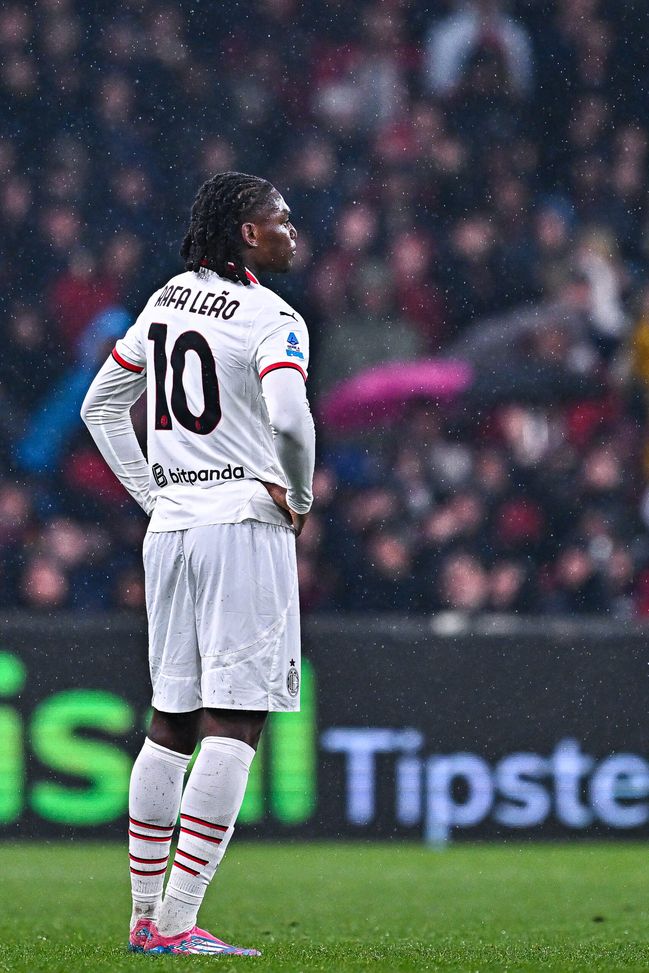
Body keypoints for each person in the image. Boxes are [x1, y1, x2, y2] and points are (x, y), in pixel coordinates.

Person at [81, 171, 315, 955]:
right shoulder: (271, 316)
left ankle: (144, 916)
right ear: (247, 232)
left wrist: (155, 493)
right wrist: (302, 495)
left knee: (170, 718)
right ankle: (178, 922)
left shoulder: (166, 299)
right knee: (234, 720)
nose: (292, 230)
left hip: (173, 526)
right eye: (280, 219)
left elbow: (100, 406)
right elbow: (288, 414)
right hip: (242, 524)